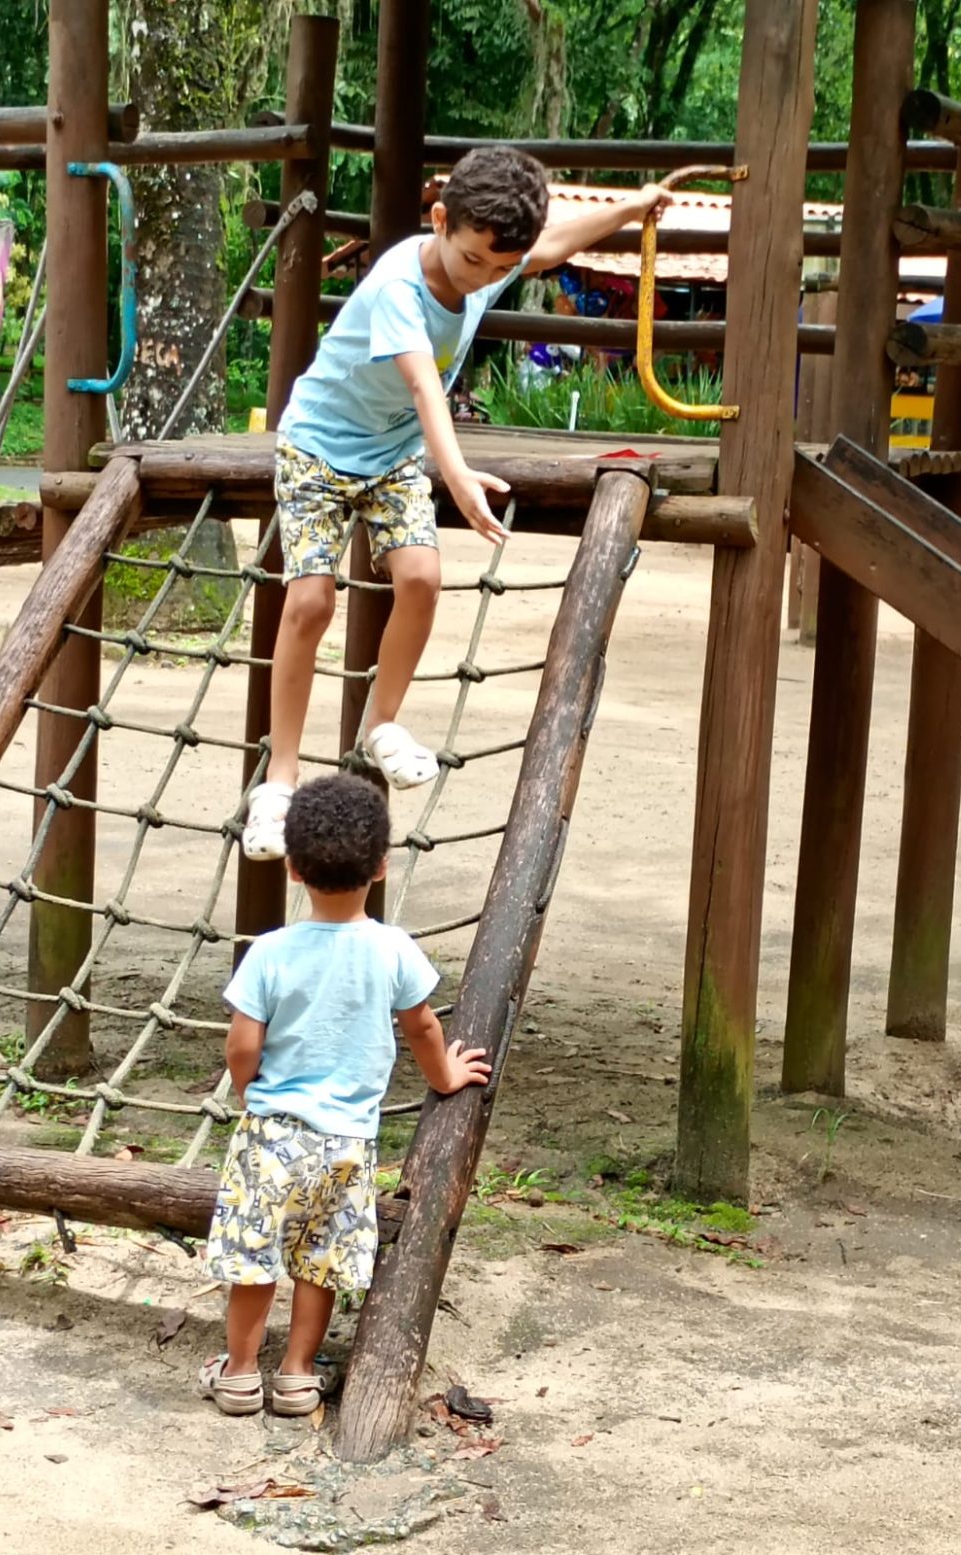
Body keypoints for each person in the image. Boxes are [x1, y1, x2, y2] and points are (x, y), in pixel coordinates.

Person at [243, 146, 671, 859]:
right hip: (317, 447)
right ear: (440, 220)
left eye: (501, 268)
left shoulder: (489, 266)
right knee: (311, 603)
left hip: (390, 455)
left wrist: (632, 205)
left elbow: (551, 245)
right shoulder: (399, 287)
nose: (485, 277)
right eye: (474, 260)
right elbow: (423, 387)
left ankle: (381, 725)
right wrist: (459, 475)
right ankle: (279, 781)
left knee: (421, 578)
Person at [199, 773, 491, 1416]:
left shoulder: (269, 952)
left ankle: (241, 1373)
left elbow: (241, 1044)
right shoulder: (393, 948)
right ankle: (298, 1375)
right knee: (321, 1258)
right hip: (347, 1141)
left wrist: (249, 1090)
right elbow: (423, 1026)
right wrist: (445, 1077)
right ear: (382, 866)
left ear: (293, 869)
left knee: (254, 1255)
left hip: (270, 1133)